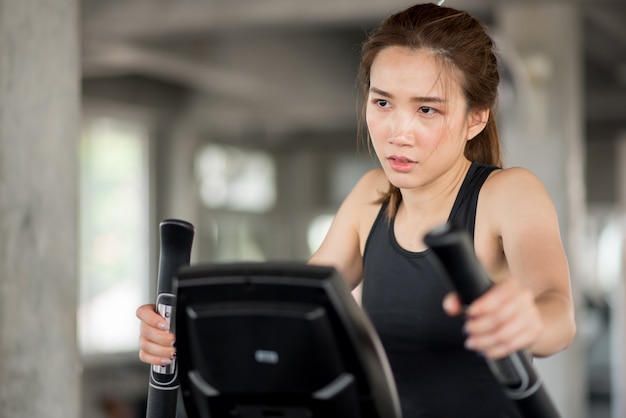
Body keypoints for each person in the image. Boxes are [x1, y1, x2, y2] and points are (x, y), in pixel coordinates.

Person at [136, 2, 576, 417]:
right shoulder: (372, 198)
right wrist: (180, 337)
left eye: (426, 109)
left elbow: (557, 312)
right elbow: (285, 319)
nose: (397, 133)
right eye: (382, 102)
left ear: (475, 117)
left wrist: (529, 322)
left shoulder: (506, 193)